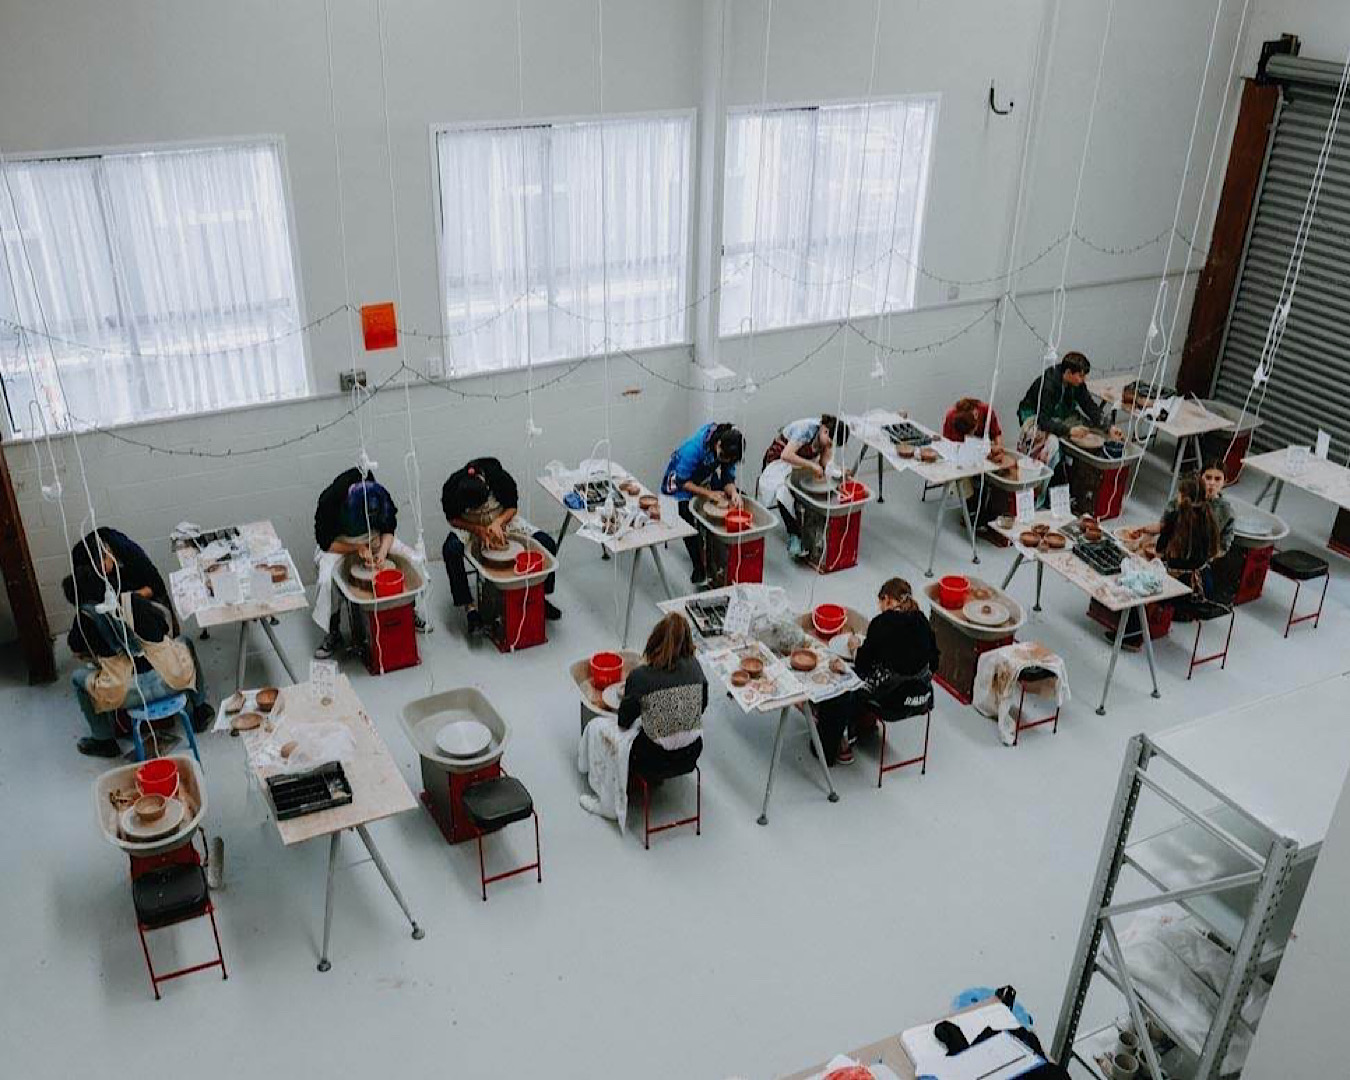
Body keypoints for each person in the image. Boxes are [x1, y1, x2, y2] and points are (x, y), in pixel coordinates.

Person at [65, 565, 212, 758]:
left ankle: (104, 740)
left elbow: (77, 651)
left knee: (78, 678)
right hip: (169, 681)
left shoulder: (83, 619)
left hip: (127, 695)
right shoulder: (132, 599)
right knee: (185, 643)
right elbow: (163, 627)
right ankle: (200, 709)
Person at [813, 578, 938, 766]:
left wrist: (855, 648)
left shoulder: (882, 623)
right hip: (921, 695)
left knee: (839, 683)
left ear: (886, 599)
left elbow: (863, 665)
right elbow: (935, 661)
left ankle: (836, 743)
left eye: (880, 603)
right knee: (873, 675)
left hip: (890, 701)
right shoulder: (922, 620)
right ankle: (862, 724)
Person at [312, 468, 427, 659]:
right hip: (341, 542)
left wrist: (382, 551)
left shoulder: (379, 495)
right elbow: (326, 542)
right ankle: (333, 631)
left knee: (414, 560)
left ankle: (408, 610)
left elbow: (388, 528)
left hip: (373, 537)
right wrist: (356, 548)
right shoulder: (330, 501)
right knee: (326, 581)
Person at [441, 457, 561, 635]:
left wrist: (498, 522)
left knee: (547, 543)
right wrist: (478, 529)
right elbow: (452, 519)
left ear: (486, 485)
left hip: (503, 519)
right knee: (450, 550)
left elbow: (512, 506)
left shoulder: (498, 477)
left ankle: (541, 597)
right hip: (472, 526)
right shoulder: (452, 487)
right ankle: (470, 608)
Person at [1116, 475, 1224, 649]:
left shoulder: (1177, 518)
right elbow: (1162, 527)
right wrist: (1143, 529)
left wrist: (1139, 552)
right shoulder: (1208, 517)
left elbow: (1159, 554)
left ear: (1182, 496)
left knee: (1139, 580)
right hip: (1205, 585)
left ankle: (1131, 637)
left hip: (1183, 590)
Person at [616, 612, 708, 779]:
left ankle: (607, 793)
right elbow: (702, 706)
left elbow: (623, 720)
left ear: (653, 642)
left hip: (652, 761)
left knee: (600, 729)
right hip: (691, 754)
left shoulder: (641, 676)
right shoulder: (696, 667)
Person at [661, 422, 745, 585]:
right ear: (718, 444)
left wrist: (734, 493)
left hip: (703, 478)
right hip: (678, 484)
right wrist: (709, 494)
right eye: (723, 457)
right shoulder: (693, 449)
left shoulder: (729, 448)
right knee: (684, 514)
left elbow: (727, 478)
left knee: (736, 501)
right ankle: (698, 566)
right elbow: (682, 482)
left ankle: (718, 559)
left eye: (729, 460)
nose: (726, 461)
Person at [757, 414, 851, 559]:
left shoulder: (826, 438)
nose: (829, 446)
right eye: (830, 442)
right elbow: (786, 455)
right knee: (783, 492)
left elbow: (825, 463)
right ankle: (794, 534)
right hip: (779, 463)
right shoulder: (805, 429)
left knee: (819, 488)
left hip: (803, 463)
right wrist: (812, 466)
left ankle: (811, 527)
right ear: (824, 431)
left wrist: (840, 472)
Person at [1015, 352, 1108, 480]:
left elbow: (1089, 405)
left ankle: (1078, 477)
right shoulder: (1049, 385)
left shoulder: (1078, 384)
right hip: (1034, 415)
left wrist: (1108, 426)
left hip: (1059, 413)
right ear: (1069, 372)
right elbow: (1043, 420)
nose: (1083, 379)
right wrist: (1069, 430)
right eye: (1081, 376)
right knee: (1052, 444)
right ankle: (1044, 480)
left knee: (1094, 429)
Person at [68, 527, 176, 634]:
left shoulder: (128, 551)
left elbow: (156, 587)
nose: (103, 573)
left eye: (103, 568)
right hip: (109, 605)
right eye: (98, 571)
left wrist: (126, 601)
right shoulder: (80, 556)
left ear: (108, 551)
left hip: (137, 598)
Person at [943, 397, 1004, 523]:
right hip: (961, 453)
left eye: (972, 431)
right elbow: (947, 446)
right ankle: (972, 502)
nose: (970, 435)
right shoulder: (951, 417)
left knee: (998, 473)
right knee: (960, 476)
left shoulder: (986, 411)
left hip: (983, 450)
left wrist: (998, 448)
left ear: (976, 415)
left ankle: (989, 509)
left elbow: (997, 433)